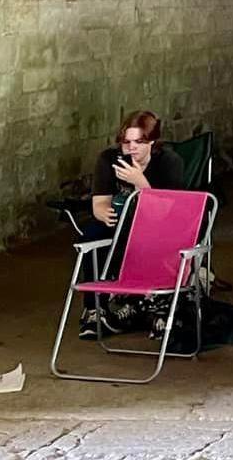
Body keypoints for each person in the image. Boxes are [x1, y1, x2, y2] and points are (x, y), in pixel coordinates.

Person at [78, 110, 187, 339]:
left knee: (147, 240)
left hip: (159, 226)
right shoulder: (109, 159)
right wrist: (103, 213)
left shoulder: (168, 162)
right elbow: (99, 202)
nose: (132, 148)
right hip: (120, 222)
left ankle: (152, 303)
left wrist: (141, 184)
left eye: (139, 142)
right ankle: (94, 307)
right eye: (126, 142)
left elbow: (168, 214)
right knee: (92, 236)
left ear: (152, 141)